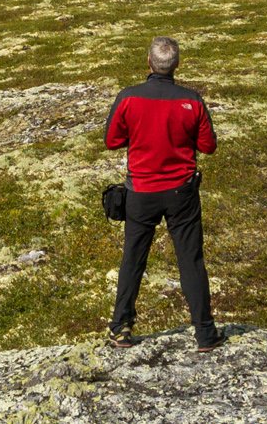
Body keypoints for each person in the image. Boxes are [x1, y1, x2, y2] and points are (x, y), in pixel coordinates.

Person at [103, 35, 221, 350]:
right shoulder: (192, 100)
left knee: (133, 260)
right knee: (191, 261)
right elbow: (209, 146)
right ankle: (205, 333)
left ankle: (120, 329)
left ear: (149, 63)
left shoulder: (128, 98)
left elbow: (112, 140)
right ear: (176, 65)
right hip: (182, 193)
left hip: (140, 192)